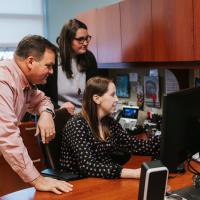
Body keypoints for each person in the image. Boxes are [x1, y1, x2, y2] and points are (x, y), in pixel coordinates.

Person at [0, 35, 73, 194]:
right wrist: (38, 180)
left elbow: (43, 100)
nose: (51, 72)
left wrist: (46, 114)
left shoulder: (24, 82)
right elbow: (8, 136)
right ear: (31, 61)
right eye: (48, 66)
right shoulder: (3, 80)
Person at [60, 77, 160, 179]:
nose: (117, 99)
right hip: (79, 183)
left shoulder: (109, 122)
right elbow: (88, 166)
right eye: (112, 95)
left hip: (102, 180)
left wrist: (166, 140)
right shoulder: (77, 125)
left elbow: (134, 145)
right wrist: (132, 173)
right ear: (97, 99)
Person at [38, 19, 98, 115]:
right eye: (80, 39)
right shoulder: (52, 60)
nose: (85, 43)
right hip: (58, 117)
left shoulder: (89, 58)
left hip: (84, 119)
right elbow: (40, 96)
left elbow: (95, 92)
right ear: (68, 40)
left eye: (87, 38)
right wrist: (59, 108)